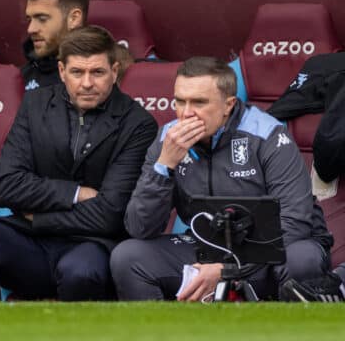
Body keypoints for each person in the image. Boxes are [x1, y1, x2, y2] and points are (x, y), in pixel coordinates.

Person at [0, 26, 158, 301]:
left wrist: (38, 216)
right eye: (77, 72)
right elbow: (7, 187)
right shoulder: (35, 104)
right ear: (62, 71)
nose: (87, 83)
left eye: (97, 72)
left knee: (79, 271)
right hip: (29, 242)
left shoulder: (138, 123)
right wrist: (76, 193)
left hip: (93, 245)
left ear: (114, 71)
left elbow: (110, 214)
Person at [110, 56, 333, 301]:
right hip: (209, 247)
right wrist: (163, 167)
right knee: (128, 256)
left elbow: (294, 223)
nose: (186, 113)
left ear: (228, 105)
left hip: (271, 253)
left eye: (199, 102)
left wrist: (229, 271)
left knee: (301, 258)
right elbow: (140, 228)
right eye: (179, 101)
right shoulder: (168, 140)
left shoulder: (267, 134)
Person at [22, 0, 88, 91]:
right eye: (29, 19)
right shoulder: (20, 78)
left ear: (74, 18)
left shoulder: (107, 74)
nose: (31, 29)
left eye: (42, 19)